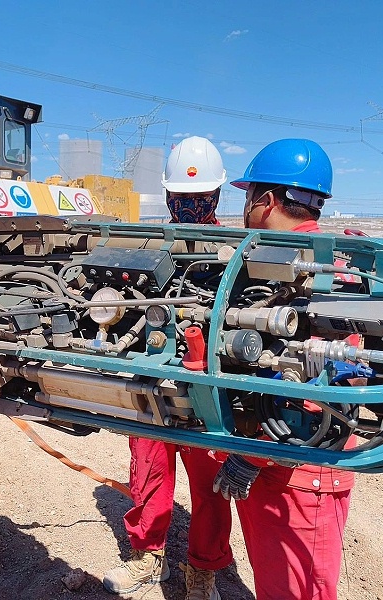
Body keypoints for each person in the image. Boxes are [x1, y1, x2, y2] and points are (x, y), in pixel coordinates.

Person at [214, 138, 354, 600]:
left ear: (268, 200)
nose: (245, 209)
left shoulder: (324, 275)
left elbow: (318, 395)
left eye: (248, 197)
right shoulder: (300, 262)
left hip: (299, 470)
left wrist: (249, 457)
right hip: (270, 459)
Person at [103, 137, 229, 600]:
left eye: (199, 197)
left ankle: (203, 572)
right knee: (149, 467)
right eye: (181, 197)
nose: (190, 205)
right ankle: (147, 555)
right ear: (168, 196)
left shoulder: (233, 252)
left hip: (204, 383)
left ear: (216, 196)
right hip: (152, 374)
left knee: (210, 485)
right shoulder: (149, 245)